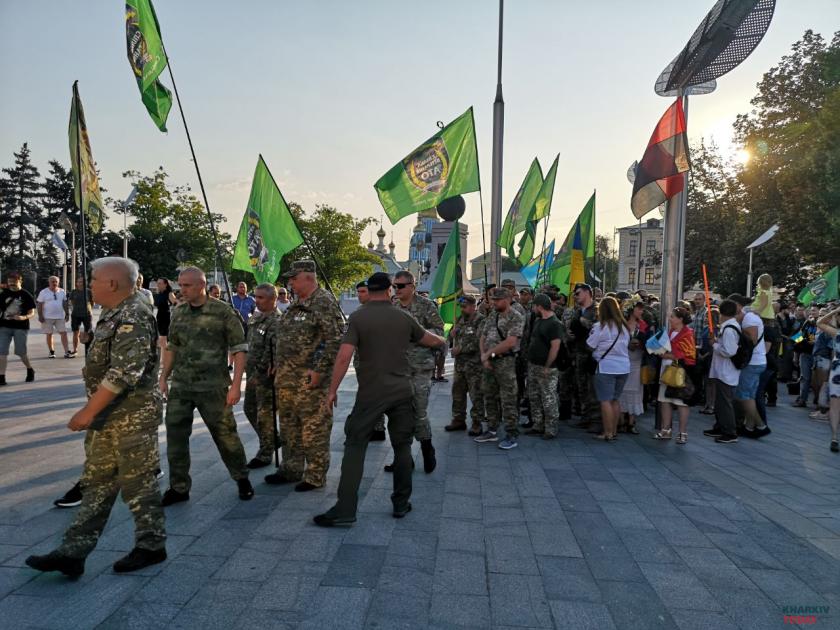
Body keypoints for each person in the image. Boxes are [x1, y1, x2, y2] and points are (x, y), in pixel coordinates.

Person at [25, 257, 166, 577]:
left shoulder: (133, 315)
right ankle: (73, 552)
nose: (90, 286)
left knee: (138, 483)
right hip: (110, 416)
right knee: (98, 483)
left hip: (131, 416)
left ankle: (152, 545)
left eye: (94, 280)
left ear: (113, 284)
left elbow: (123, 373)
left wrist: (87, 411)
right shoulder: (115, 313)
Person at [314, 272, 446, 527]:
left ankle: (345, 509)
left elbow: (343, 357)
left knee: (355, 445)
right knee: (402, 446)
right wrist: (443, 340)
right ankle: (400, 503)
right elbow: (431, 339)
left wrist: (332, 390)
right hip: (402, 390)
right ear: (388, 290)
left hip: (371, 393)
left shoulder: (358, 318)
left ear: (369, 291)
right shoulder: (403, 316)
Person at [159, 266, 254, 505]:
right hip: (182, 385)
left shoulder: (222, 312)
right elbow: (172, 347)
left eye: (187, 285)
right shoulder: (178, 312)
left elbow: (239, 349)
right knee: (176, 436)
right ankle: (179, 487)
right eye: (180, 285)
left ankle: (242, 478)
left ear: (201, 285)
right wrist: (163, 376)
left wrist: (236, 385)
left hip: (213, 386)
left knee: (226, 436)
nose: (182, 290)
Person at [264, 260, 344, 491]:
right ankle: (291, 468)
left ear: (308, 278)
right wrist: (278, 364)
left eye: (294, 278)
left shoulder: (323, 302)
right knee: (289, 427)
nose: (290, 282)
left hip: (310, 382)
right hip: (288, 379)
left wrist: (319, 370)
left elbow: (335, 341)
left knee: (313, 428)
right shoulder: (298, 303)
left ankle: (315, 474)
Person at [390, 270, 444, 473]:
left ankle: (427, 449)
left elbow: (439, 332)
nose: (397, 290)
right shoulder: (392, 306)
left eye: (401, 286)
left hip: (420, 367)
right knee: (399, 415)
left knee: (419, 412)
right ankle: (402, 459)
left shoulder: (425, 306)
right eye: (395, 286)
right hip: (397, 368)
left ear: (412, 286)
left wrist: (418, 335)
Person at [475, 287, 524, 450]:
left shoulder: (515, 317)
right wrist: (484, 356)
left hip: (505, 362)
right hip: (489, 362)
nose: (493, 303)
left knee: (508, 398)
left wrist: (488, 354)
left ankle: (511, 433)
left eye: (497, 300)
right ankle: (492, 428)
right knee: (489, 395)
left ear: (507, 299)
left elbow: (510, 342)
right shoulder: (493, 315)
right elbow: (483, 335)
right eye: (492, 300)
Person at [243, 283, 281, 469]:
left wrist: (259, 373)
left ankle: (265, 453)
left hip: (265, 376)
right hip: (251, 372)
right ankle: (274, 439)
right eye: (256, 297)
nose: (256, 301)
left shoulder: (277, 321)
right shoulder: (256, 318)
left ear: (273, 299)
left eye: (261, 298)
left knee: (264, 415)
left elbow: (271, 351)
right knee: (249, 409)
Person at [587, 296, 631, 441]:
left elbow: (590, 345)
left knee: (605, 400)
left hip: (606, 367)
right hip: (624, 367)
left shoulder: (600, 326)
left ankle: (607, 432)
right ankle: (614, 431)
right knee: (615, 400)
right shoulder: (624, 326)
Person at [653, 307, 696, 444]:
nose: (670, 319)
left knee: (681, 403)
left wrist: (666, 354)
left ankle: (682, 432)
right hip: (666, 370)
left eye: (672, 316)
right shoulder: (670, 331)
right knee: (665, 401)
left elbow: (688, 354)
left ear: (680, 319)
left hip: (680, 372)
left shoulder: (688, 334)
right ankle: (666, 430)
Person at [729, 294, 770, 438]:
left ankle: (761, 425)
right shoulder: (749, 317)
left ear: (737, 305)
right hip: (756, 362)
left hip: (753, 363)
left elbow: (751, 339)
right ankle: (750, 426)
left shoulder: (749, 318)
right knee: (749, 396)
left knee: (743, 396)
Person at [445, 295, 486, 435]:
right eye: (461, 306)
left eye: (465, 306)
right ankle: (458, 419)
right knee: (457, 393)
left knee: (476, 395)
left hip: (474, 365)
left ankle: (476, 423)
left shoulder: (480, 320)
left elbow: (479, 341)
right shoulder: (460, 319)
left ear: (473, 306)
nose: (462, 309)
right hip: (460, 365)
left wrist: (461, 349)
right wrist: (451, 334)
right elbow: (453, 338)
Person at [703, 299, 742, 444]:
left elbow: (729, 351)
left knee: (725, 402)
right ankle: (720, 426)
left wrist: (715, 345)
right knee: (720, 401)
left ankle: (730, 432)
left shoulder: (730, 328)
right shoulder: (729, 327)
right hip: (723, 370)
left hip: (726, 371)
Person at [525, 293, 562, 439]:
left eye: (534, 306)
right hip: (533, 365)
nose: (533, 309)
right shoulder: (539, 320)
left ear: (539, 306)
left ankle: (550, 429)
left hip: (547, 368)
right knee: (534, 397)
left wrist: (548, 366)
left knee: (548, 399)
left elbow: (555, 347)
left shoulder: (555, 323)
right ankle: (538, 425)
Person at [353, 281, 386, 441]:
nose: (360, 295)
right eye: (358, 292)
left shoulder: (381, 311)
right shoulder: (359, 312)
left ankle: (378, 428)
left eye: (363, 292)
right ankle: (376, 428)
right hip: (362, 362)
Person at [568, 283, 601, 431]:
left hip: (592, 354)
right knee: (581, 387)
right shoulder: (577, 310)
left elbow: (598, 328)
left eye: (578, 293)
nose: (576, 296)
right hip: (578, 352)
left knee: (592, 387)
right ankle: (585, 415)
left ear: (588, 292)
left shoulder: (597, 310)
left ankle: (595, 419)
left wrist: (583, 322)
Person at [0, 270, 36, 385]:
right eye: (9, 282)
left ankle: (30, 369)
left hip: (20, 327)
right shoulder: (3, 294)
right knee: (2, 352)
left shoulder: (26, 295)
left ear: (20, 281)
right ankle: (1, 376)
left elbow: (32, 312)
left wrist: (23, 317)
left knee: (21, 352)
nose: (11, 284)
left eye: (14, 282)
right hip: (4, 326)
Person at [618, 300, 647, 434]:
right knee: (622, 390)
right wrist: (627, 344)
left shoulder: (643, 325)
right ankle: (621, 420)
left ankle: (631, 421)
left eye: (642, 309)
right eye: (639, 309)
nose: (641, 312)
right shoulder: (622, 324)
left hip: (636, 360)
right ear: (631, 310)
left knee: (635, 390)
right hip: (623, 359)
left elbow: (648, 342)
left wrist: (640, 343)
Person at [815, 306, 840, 452]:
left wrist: (835, 310)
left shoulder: (837, 333)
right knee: (835, 405)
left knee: (835, 406)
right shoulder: (836, 332)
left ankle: (835, 437)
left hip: (837, 371)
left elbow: (819, 322)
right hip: (836, 371)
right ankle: (835, 437)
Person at [37, 276, 71, 358]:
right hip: (47, 317)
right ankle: (51, 352)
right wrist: (40, 315)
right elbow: (39, 304)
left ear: (58, 282)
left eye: (56, 281)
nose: (54, 283)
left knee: (64, 333)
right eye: (52, 281)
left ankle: (67, 352)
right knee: (49, 334)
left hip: (60, 316)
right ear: (49, 282)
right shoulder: (43, 292)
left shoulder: (62, 291)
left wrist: (67, 313)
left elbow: (65, 303)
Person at [793, 306, 819, 407]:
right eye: (810, 310)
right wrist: (795, 353)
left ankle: (818, 401)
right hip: (805, 354)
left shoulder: (823, 323)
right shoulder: (807, 322)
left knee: (816, 380)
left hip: (817, 355)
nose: (811, 312)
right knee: (804, 377)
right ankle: (802, 399)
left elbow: (816, 340)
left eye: (814, 310)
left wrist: (812, 341)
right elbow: (799, 336)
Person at [67, 277, 93, 356]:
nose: (80, 283)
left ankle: (88, 350)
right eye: (79, 282)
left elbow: (92, 302)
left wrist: (89, 309)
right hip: (76, 314)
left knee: (88, 332)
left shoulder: (89, 291)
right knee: (75, 332)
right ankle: (75, 350)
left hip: (87, 314)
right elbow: (71, 302)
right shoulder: (74, 292)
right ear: (76, 283)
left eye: (82, 282)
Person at [154, 278, 176, 349]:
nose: (158, 285)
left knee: (165, 336)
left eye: (160, 283)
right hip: (159, 317)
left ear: (165, 284)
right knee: (161, 336)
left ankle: (166, 354)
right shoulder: (159, 294)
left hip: (167, 318)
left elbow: (176, 304)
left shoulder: (169, 293)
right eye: (157, 283)